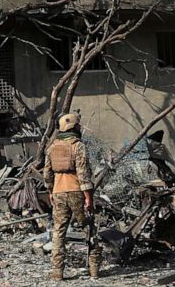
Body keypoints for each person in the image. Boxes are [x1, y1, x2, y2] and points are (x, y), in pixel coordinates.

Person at [43, 113, 101, 281]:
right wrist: (88, 198)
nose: (80, 127)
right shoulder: (78, 146)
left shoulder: (52, 147)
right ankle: (94, 270)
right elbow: (83, 174)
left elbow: (47, 173)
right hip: (76, 192)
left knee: (58, 232)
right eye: (78, 125)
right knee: (89, 229)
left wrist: (50, 191)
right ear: (73, 127)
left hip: (58, 192)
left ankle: (57, 273)